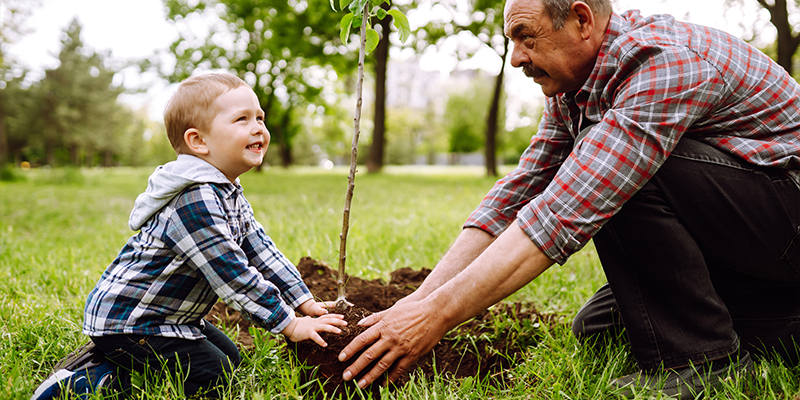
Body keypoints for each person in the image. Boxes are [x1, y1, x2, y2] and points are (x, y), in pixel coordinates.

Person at [338, 0, 800, 397]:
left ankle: (703, 363)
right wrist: (419, 302)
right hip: (751, 236)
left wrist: (434, 319)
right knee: (600, 326)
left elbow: (563, 210)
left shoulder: (664, 61)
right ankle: (784, 324)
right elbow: (518, 194)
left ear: (581, 20)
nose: (516, 58)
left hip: (788, 220)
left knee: (619, 172)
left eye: (526, 37)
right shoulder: (575, 87)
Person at [32, 72, 346, 399]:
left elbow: (261, 250)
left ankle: (113, 361)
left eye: (259, 118)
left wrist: (302, 301)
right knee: (215, 376)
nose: (258, 128)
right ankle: (91, 381)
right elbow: (233, 274)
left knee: (231, 359)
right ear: (199, 141)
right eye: (242, 119)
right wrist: (289, 324)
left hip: (170, 317)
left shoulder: (226, 190)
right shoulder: (194, 200)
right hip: (132, 322)